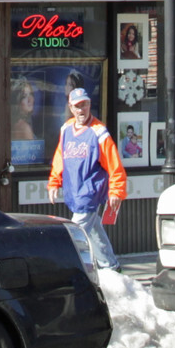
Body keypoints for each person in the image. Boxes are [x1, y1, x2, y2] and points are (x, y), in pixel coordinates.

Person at [48, 86, 127, 271]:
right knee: (95, 232)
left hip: (90, 191)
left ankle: (64, 270)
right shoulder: (66, 128)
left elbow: (114, 164)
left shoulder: (99, 132)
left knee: (75, 232)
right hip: (73, 190)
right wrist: (54, 181)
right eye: (77, 106)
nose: (81, 110)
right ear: (71, 107)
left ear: (89, 104)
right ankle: (111, 267)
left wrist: (116, 191)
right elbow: (60, 156)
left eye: (84, 105)